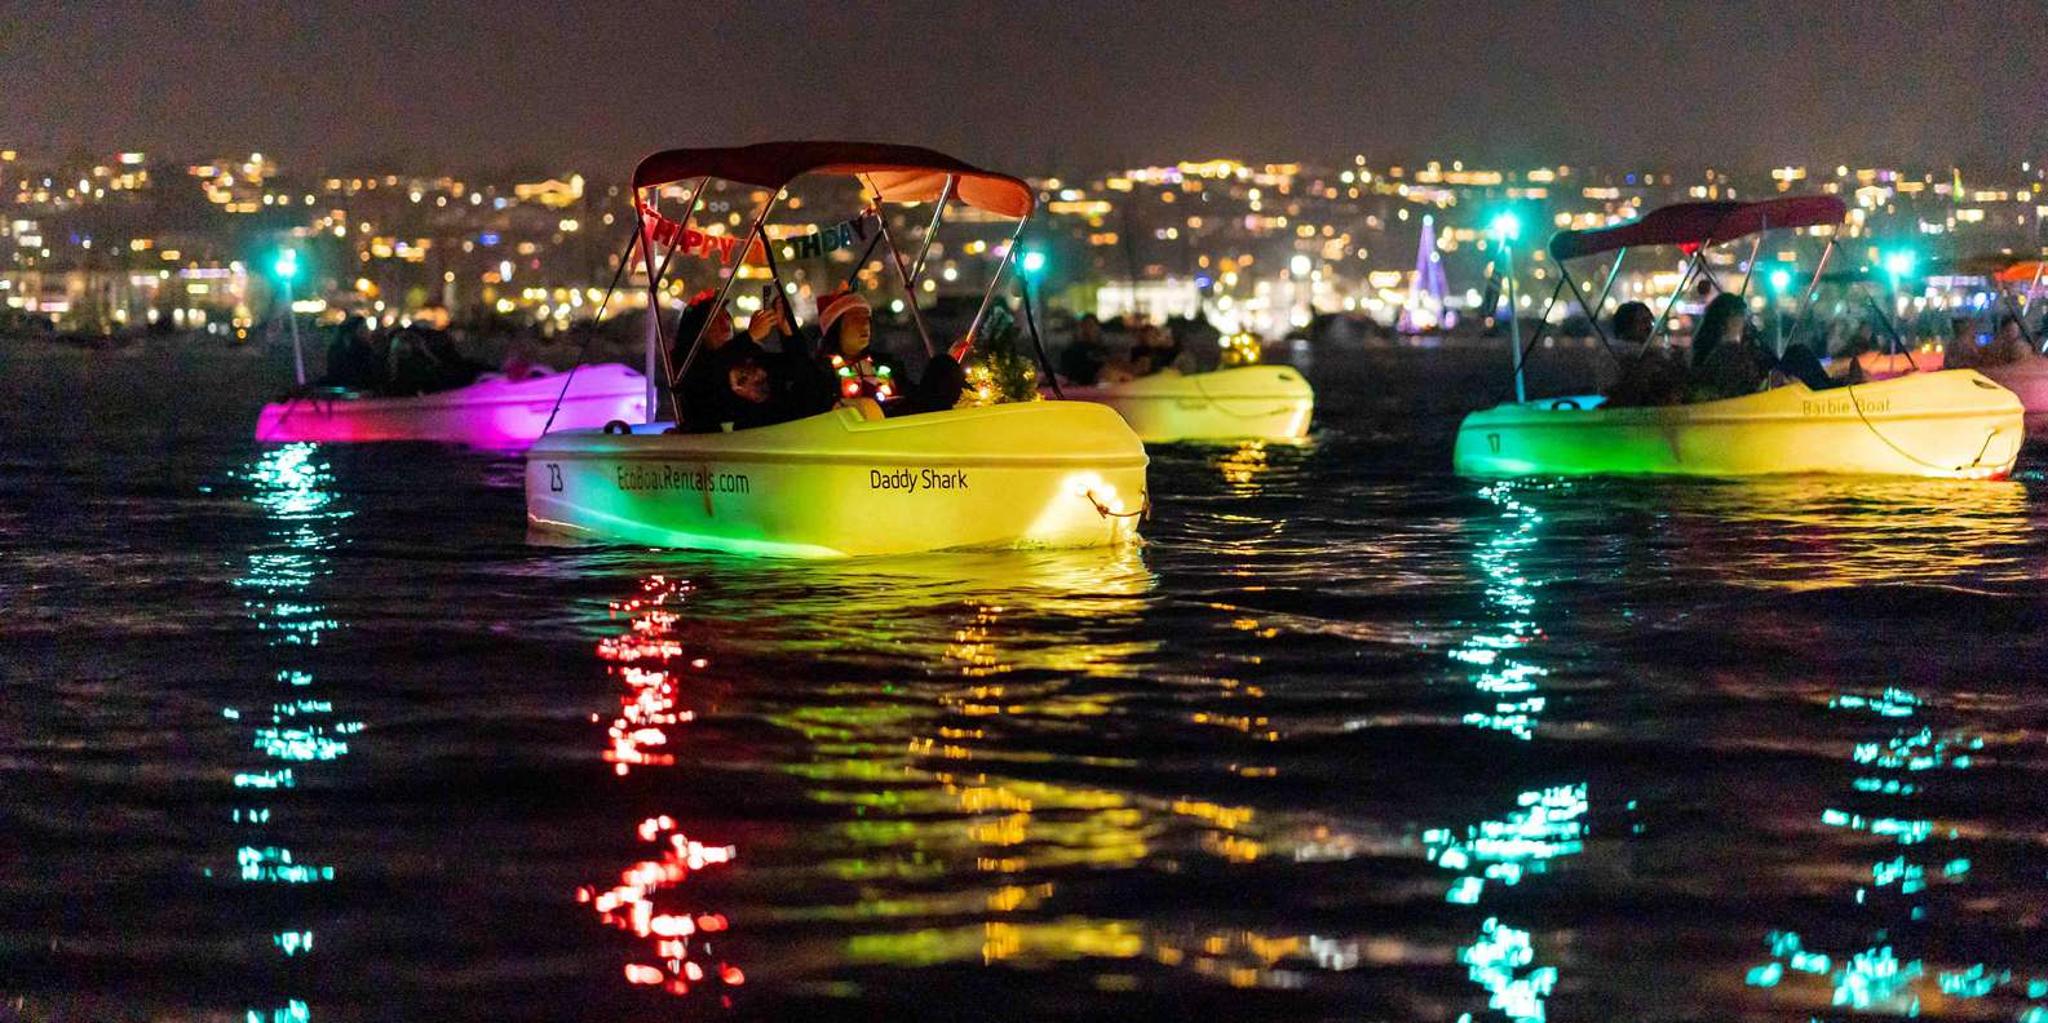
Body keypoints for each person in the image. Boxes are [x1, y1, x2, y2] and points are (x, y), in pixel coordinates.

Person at [812, 285, 964, 416]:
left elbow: (920, 399)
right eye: (855, 319)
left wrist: (947, 366)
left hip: (897, 435)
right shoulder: (821, 372)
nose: (865, 326)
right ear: (836, 328)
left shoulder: (884, 365)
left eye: (867, 319)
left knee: (942, 365)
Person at [1601, 301, 1686, 406]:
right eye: (1643, 322)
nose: (1649, 327)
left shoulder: (1656, 350)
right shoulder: (1615, 353)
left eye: (1650, 322)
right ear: (1626, 326)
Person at [1058, 314, 1110, 385]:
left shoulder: (1103, 352)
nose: (1087, 329)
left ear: (1097, 328)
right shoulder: (1070, 352)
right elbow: (1066, 376)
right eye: (1084, 326)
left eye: (1091, 326)